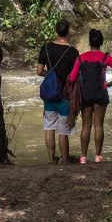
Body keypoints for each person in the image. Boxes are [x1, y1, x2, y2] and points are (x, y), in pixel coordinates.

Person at [69, 29, 112, 164]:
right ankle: (98, 157)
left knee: (86, 126)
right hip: (101, 93)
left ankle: (83, 157)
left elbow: (71, 78)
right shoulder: (105, 57)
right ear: (101, 42)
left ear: (90, 42)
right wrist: (109, 84)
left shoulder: (80, 58)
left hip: (86, 95)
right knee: (99, 125)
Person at [37, 19, 79, 165]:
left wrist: (50, 76)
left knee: (49, 127)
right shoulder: (73, 52)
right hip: (64, 95)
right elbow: (74, 77)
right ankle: (65, 159)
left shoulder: (46, 48)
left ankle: (51, 159)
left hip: (49, 94)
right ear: (68, 32)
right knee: (63, 131)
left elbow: (39, 71)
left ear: (56, 31)